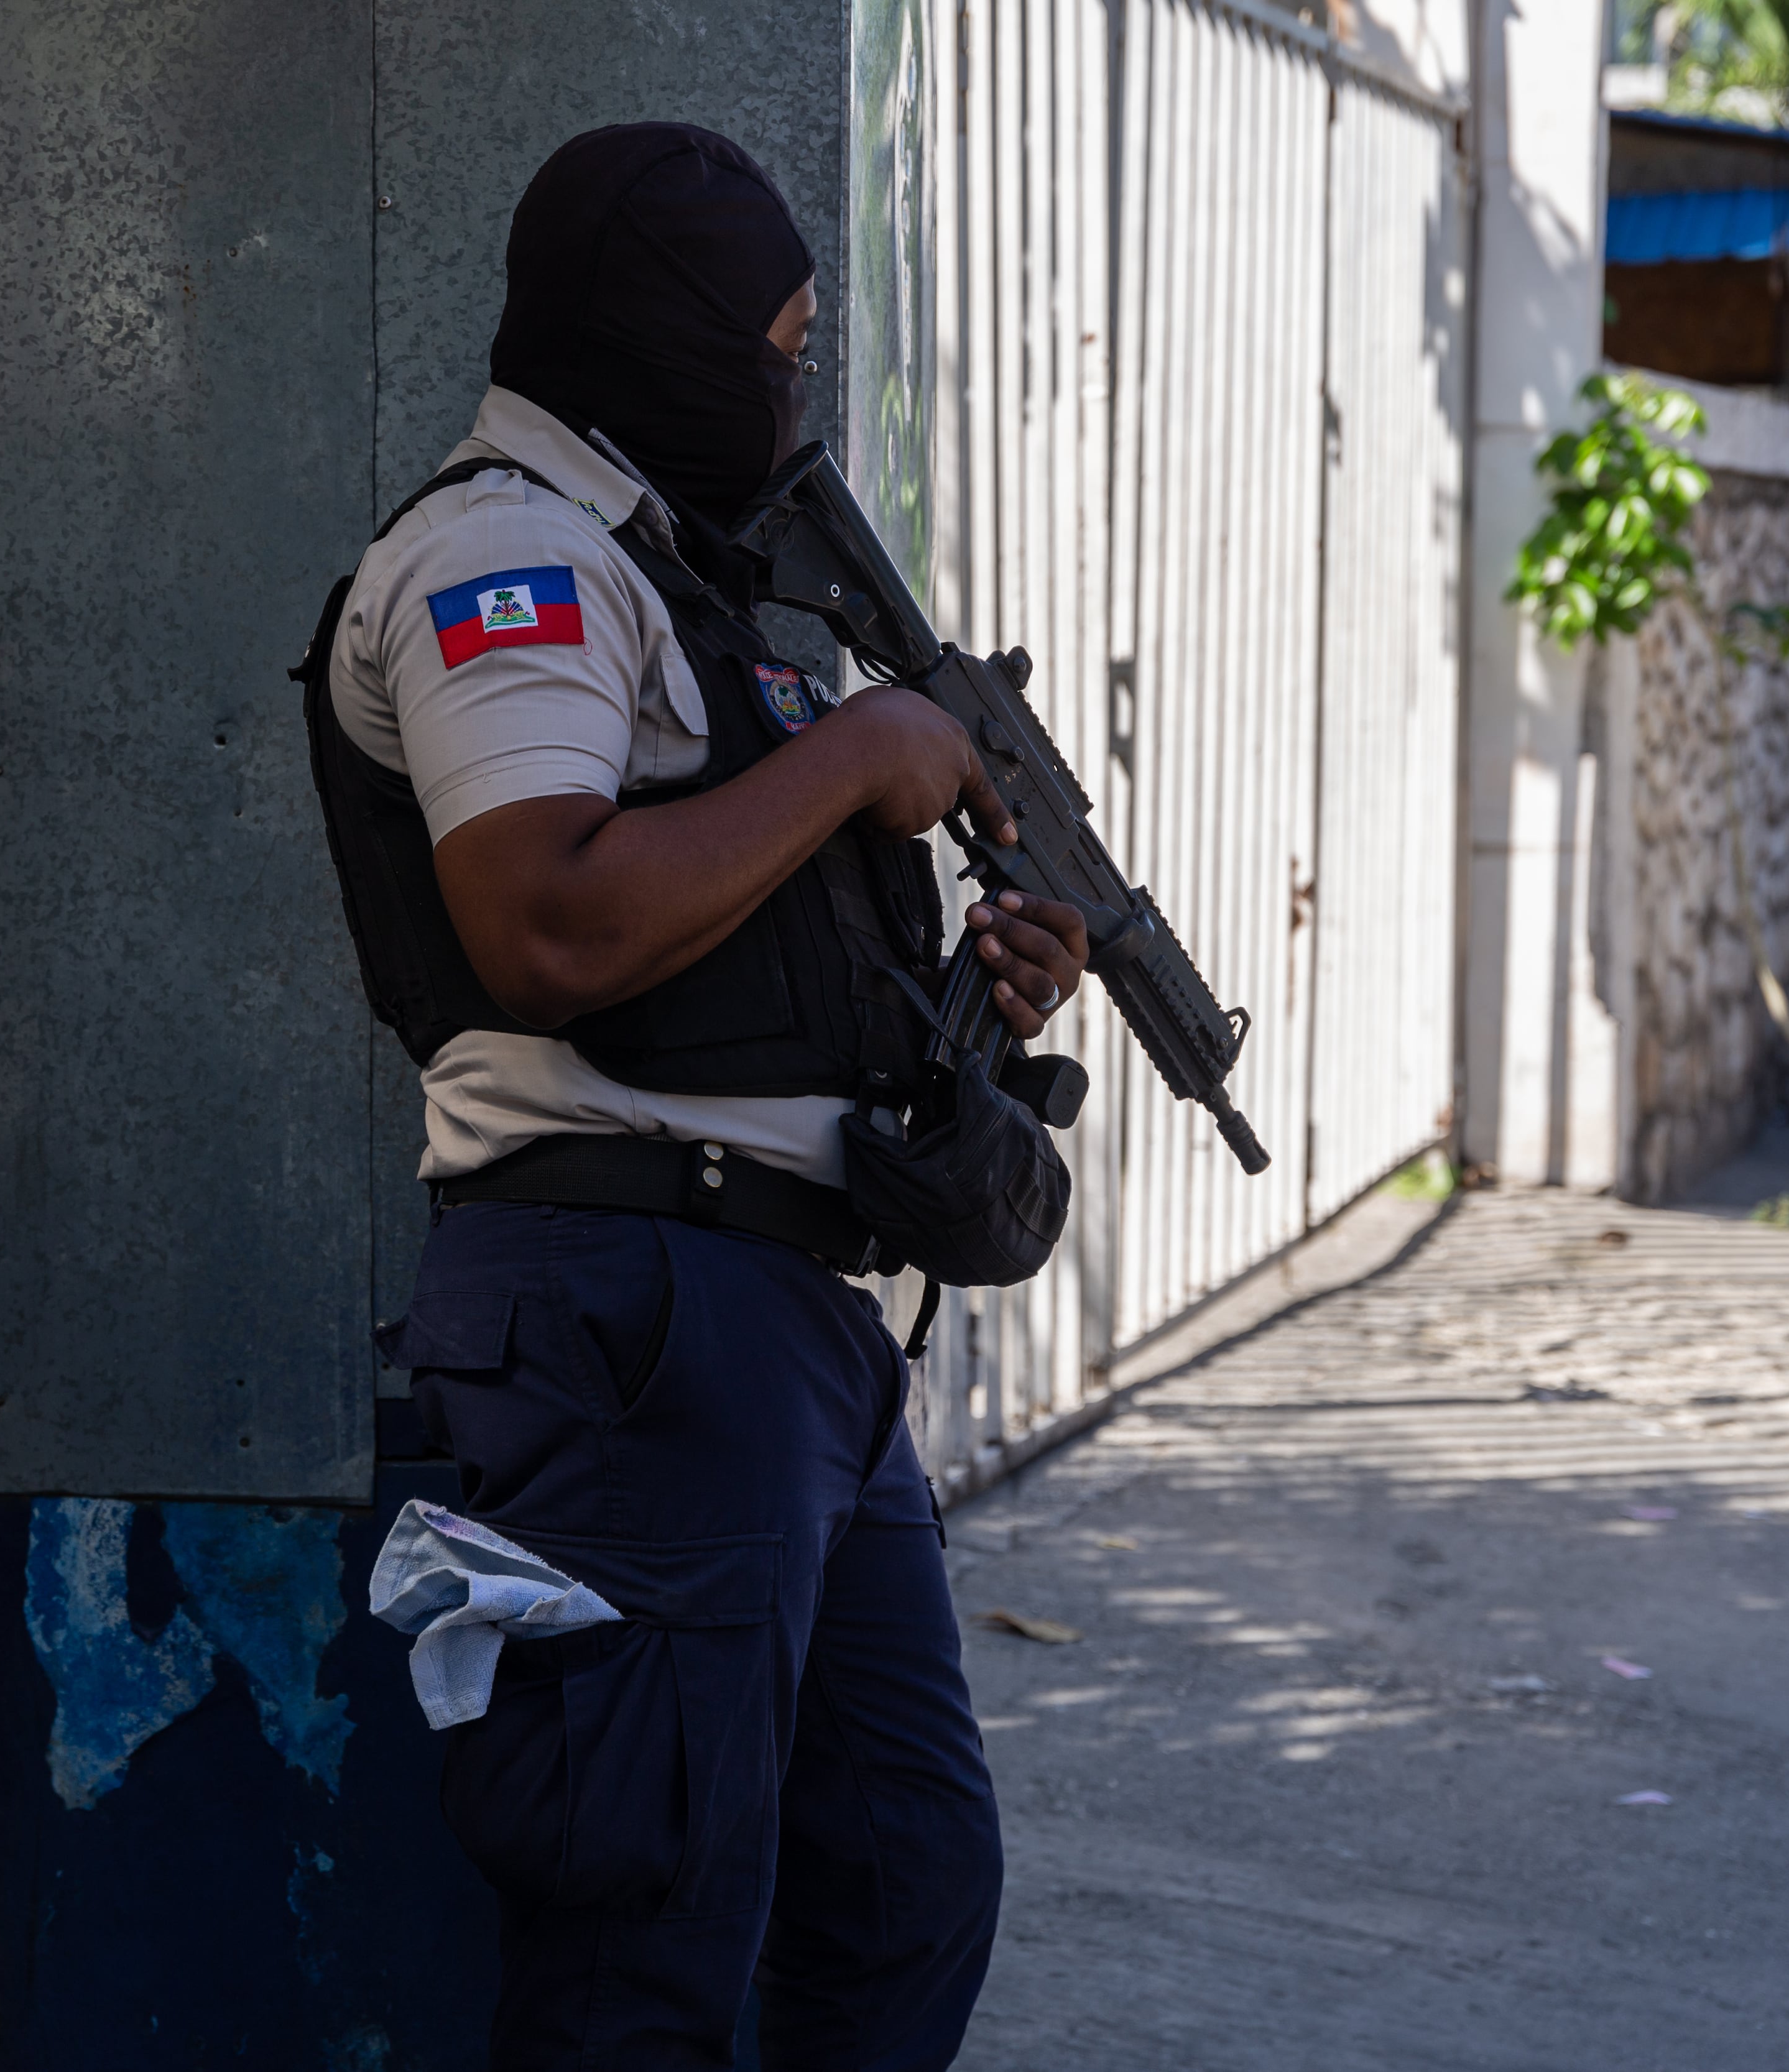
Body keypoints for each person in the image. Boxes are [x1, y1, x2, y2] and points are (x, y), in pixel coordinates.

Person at [312, 125, 1085, 2067]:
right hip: (638, 1314)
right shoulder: (508, 557)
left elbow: (744, 965)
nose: (793, 384)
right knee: (643, 1936)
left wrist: (963, 994)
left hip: (784, 1333)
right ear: (658, 334)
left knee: (900, 1887)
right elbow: (550, 925)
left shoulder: (677, 583)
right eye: (779, 342)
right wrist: (857, 761)